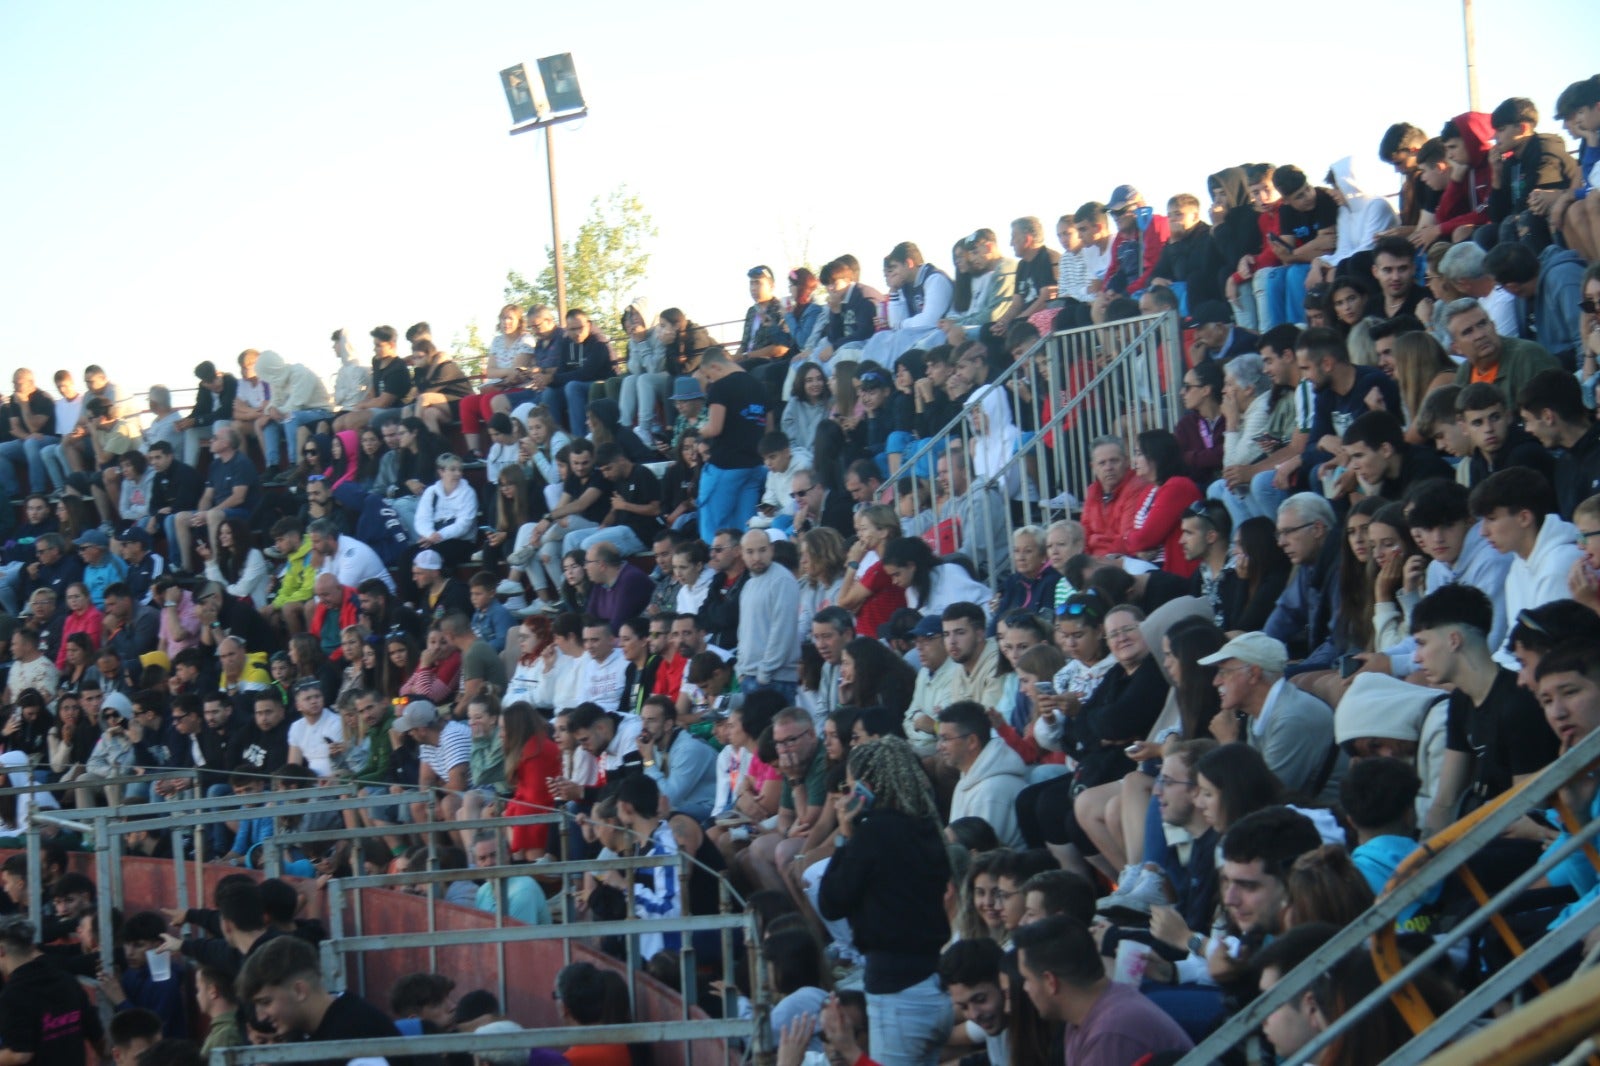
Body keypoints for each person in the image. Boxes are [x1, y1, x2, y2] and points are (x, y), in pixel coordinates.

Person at [819, 737, 952, 1066]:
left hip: (898, 994)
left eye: (851, 787)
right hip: (935, 983)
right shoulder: (927, 829)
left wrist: (843, 837)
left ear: (865, 787)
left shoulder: (873, 833)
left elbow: (831, 901)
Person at [1411, 583, 1557, 833]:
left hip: (1520, 843)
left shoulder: (1519, 705)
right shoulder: (1460, 700)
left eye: (1422, 643)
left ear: (1454, 640)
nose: (1416, 657)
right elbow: (1445, 801)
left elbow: (1527, 810)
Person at [1012, 914, 1193, 1064]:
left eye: (1027, 979)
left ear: (1050, 982)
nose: (1025, 988)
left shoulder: (1110, 1034)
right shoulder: (1082, 1018)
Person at [1201, 632, 1341, 802]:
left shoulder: (1292, 718)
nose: (1216, 682)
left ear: (1253, 674)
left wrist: (1228, 745)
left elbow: (1260, 800)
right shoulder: (1261, 713)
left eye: (1224, 672)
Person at [1469, 469, 1583, 666]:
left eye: (1492, 519)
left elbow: (1548, 652)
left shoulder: (1561, 564)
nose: (1483, 532)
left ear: (1524, 518)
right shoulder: (1518, 564)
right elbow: (1513, 643)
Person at [236, 934, 400, 1049]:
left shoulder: (359, 1031)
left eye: (266, 1002)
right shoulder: (303, 1033)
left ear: (299, 991)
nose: (261, 1016)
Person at [0, 915, 107, 1064]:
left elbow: (20, 1055)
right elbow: (97, 1036)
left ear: (1, 951)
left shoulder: (14, 994)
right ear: (31, 946)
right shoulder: (67, 980)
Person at [696, 347, 769, 542]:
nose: (710, 381)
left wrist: (698, 430)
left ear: (714, 366)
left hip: (725, 466)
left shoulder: (721, 387)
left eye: (708, 376)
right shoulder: (760, 387)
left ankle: (715, 568)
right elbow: (769, 430)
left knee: (714, 531)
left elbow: (714, 428)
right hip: (754, 466)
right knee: (745, 531)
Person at [938, 701, 1026, 848]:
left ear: (972, 741)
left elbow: (981, 853)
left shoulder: (991, 791)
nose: (939, 746)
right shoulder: (969, 777)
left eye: (946, 739)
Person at [736, 530, 800, 700]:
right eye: (750, 552)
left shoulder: (782, 580)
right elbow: (743, 631)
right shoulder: (749, 585)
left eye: (762, 550)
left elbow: (782, 630)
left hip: (776, 679)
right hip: (751, 676)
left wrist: (764, 673)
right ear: (741, 554)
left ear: (771, 550)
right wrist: (740, 669)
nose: (757, 557)